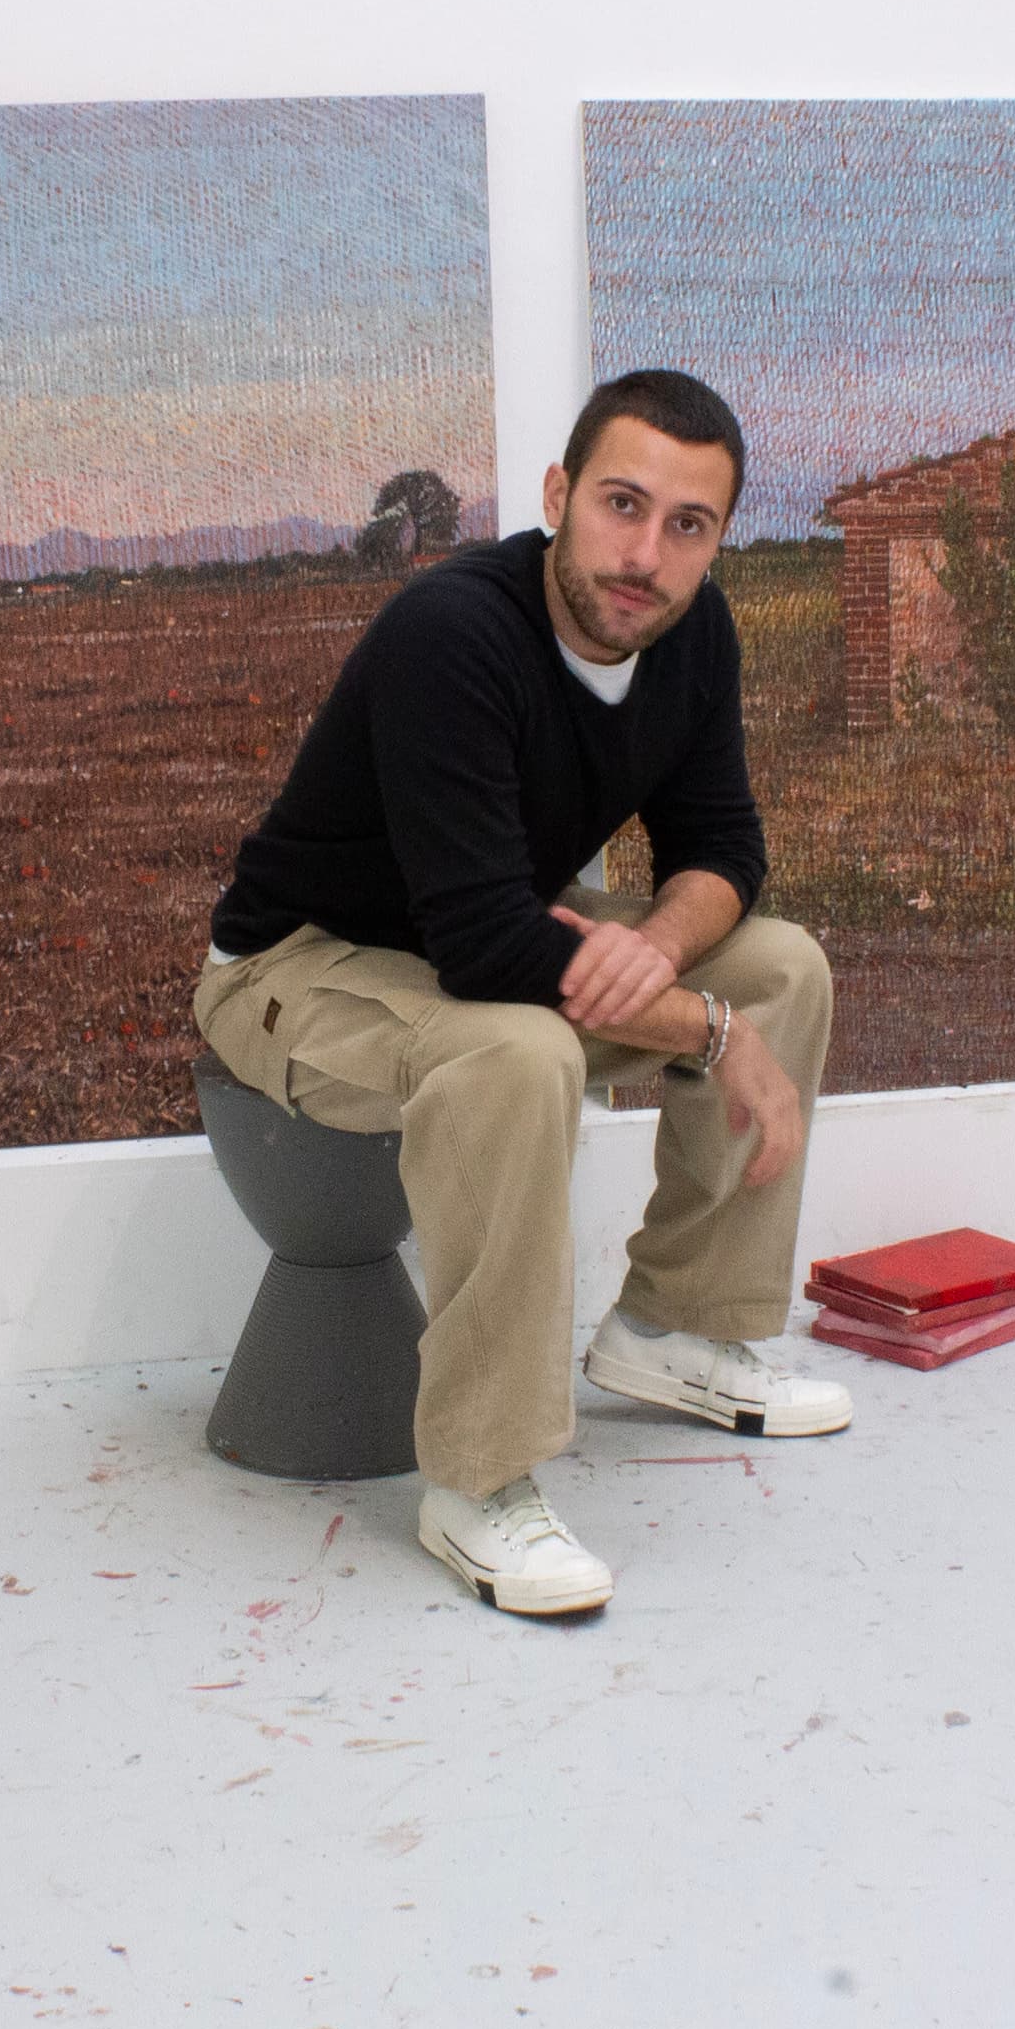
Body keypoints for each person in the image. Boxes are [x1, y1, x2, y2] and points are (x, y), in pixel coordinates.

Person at [193, 369, 842, 1619]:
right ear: (558, 496)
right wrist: (706, 1030)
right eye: (621, 504)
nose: (646, 554)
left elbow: (724, 849)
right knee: (520, 1054)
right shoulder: (454, 632)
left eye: (687, 524)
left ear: (718, 539)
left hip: (479, 931)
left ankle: (677, 1328)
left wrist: (654, 949)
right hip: (301, 965)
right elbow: (493, 956)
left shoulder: (691, 634)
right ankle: (480, 1481)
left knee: (780, 963)